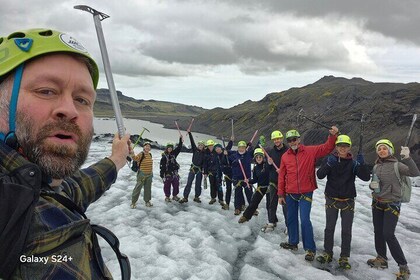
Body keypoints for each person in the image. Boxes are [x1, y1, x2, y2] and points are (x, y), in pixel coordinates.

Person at [0, 29, 131, 279]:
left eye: (82, 100)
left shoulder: (36, 189)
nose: (69, 110)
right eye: (46, 91)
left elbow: (73, 189)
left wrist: (116, 160)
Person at [278, 127, 339, 262]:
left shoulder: (310, 151)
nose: (292, 142)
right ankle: (293, 242)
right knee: (291, 219)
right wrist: (280, 194)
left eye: (294, 139)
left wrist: (333, 136)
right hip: (290, 192)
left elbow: (327, 148)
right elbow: (282, 176)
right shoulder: (285, 156)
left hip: (306, 191)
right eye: (289, 140)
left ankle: (310, 249)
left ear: (299, 139)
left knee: (305, 220)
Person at [366, 139, 419, 280]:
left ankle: (403, 267)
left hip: (392, 204)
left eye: (384, 148)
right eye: (379, 149)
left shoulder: (398, 165)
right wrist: (372, 186)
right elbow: (375, 184)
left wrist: (407, 158)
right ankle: (381, 258)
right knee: (378, 231)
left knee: (388, 234)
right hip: (377, 202)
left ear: (390, 150)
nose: (381, 151)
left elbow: (414, 173)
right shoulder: (376, 167)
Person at [315, 135, 370, 269]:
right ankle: (327, 253)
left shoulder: (353, 163)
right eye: (340, 145)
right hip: (332, 199)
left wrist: (362, 164)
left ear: (349, 147)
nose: (342, 148)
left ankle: (344, 257)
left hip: (348, 201)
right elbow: (320, 175)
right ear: (336, 146)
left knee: (346, 230)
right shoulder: (330, 159)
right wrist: (328, 165)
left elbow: (366, 178)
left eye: (345, 145)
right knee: (329, 228)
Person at [262, 130, 288, 233]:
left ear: (281, 139)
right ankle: (271, 222)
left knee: (285, 205)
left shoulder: (288, 151)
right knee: (272, 203)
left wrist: (283, 171)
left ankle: (288, 225)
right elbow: (267, 169)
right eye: (275, 139)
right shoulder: (270, 152)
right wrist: (268, 163)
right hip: (273, 182)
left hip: (285, 182)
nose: (277, 141)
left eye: (278, 139)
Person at [238, 148, 269, 223]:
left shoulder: (267, 165)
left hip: (269, 187)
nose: (258, 158)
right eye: (257, 157)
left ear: (263, 157)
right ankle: (245, 216)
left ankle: (272, 221)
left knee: (270, 205)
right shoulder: (255, 168)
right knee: (253, 202)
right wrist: (249, 181)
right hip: (260, 188)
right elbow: (255, 180)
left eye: (260, 157)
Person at [227, 140, 254, 215]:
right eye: (240, 147)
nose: (241, 149)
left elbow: (255, 150)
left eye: (243, 147)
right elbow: (226, 159)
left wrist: (258, 143)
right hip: (237, 178)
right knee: (238, 193)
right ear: (238, 148)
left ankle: (252, 208)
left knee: (249, 193)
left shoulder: (248, 154)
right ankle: (237, 208)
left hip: (246, 178)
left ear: (245, 148)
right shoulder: (234, 155)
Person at [179, 130, 206, 203]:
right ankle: (185, 197)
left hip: (199, 170)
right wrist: (190, 134)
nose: (200, 146)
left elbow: (205, 162)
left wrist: (204, 170)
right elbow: (192, 142)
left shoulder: (205, 153)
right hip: (193, 168)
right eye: (199, 145)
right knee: (189, 183)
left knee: (198, 184)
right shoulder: (195, 150)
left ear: (203, 146)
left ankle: (197, 197)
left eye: (202, 145)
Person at [130, 142, 154, 208]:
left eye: (149, 146)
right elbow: (135, 158)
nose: (147, 147)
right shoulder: (141, 154)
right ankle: (133, 202)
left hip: (149, 175)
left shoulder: (150, 154)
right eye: (146, 146)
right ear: (143, 147)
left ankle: (147, 201)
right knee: (138, 188)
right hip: (142, 174)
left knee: (148, 189)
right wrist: (132, 153)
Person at [160, 137, 183, 202]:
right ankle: (167, 196)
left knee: (176, 184)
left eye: (171, 148)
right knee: (167, 185)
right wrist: (162, 174)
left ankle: (175, 195)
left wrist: (180, 141)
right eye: (168, 148)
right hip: (167, 173)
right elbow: (162, 166)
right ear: (167, 148)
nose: (170, 149)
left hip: (174, 172)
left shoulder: (174, 154)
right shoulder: (164, 157)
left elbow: (179, 148)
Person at [204, 139, 225, 206]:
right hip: (210, 172)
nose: (210, 147)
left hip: (218, 172)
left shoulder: (217, 152)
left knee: (219, 186)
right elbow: (205, 164)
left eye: (211, 146)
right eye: (209, 146)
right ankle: (213, 198)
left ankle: (221, 199)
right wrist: (205, 173)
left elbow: (225, 149)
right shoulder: (206, 153)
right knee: (212, 186)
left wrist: (231, 141)